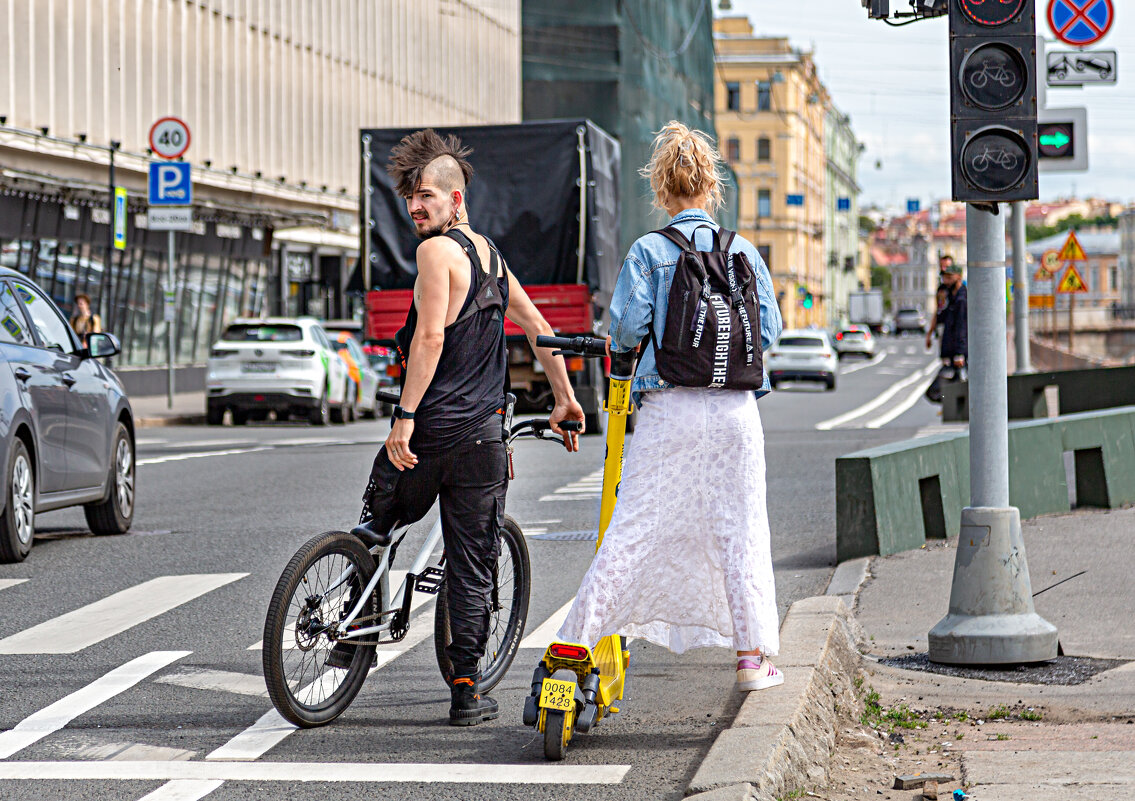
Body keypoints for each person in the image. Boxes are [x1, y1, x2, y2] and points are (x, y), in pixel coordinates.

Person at [350, 129, 585, 726]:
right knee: (472, 563)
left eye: (425, 196)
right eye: (409, 198)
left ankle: (352, 630)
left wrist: (403, 418)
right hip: (482, 439)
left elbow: (429, 338)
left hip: (429, 434)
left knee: (377, 523)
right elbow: (539, 329)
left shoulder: (435, 253)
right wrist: (565, 400)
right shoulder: (494, 260)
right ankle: (466, 690)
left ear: (457, 200)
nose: (414, 207)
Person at [557, 122, 785, 692]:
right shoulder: (746, 252)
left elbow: (628, 327)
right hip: (735, 411)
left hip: (669, 410)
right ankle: (752, 660)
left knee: (634, 525)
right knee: (741, 530)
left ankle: (576, 641)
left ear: (660, 190)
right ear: (713, 187)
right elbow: (771, 330)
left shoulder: (650, 251)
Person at [937, 257, 967, 371]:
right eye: (945, 278)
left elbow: (961, 326)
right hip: (950, 351)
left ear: (958, 277)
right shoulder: (948, 295)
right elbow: (941, 317)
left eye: (949, 278)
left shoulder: (961, 299)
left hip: (958, 355)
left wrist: (960, 353)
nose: (946, 281)